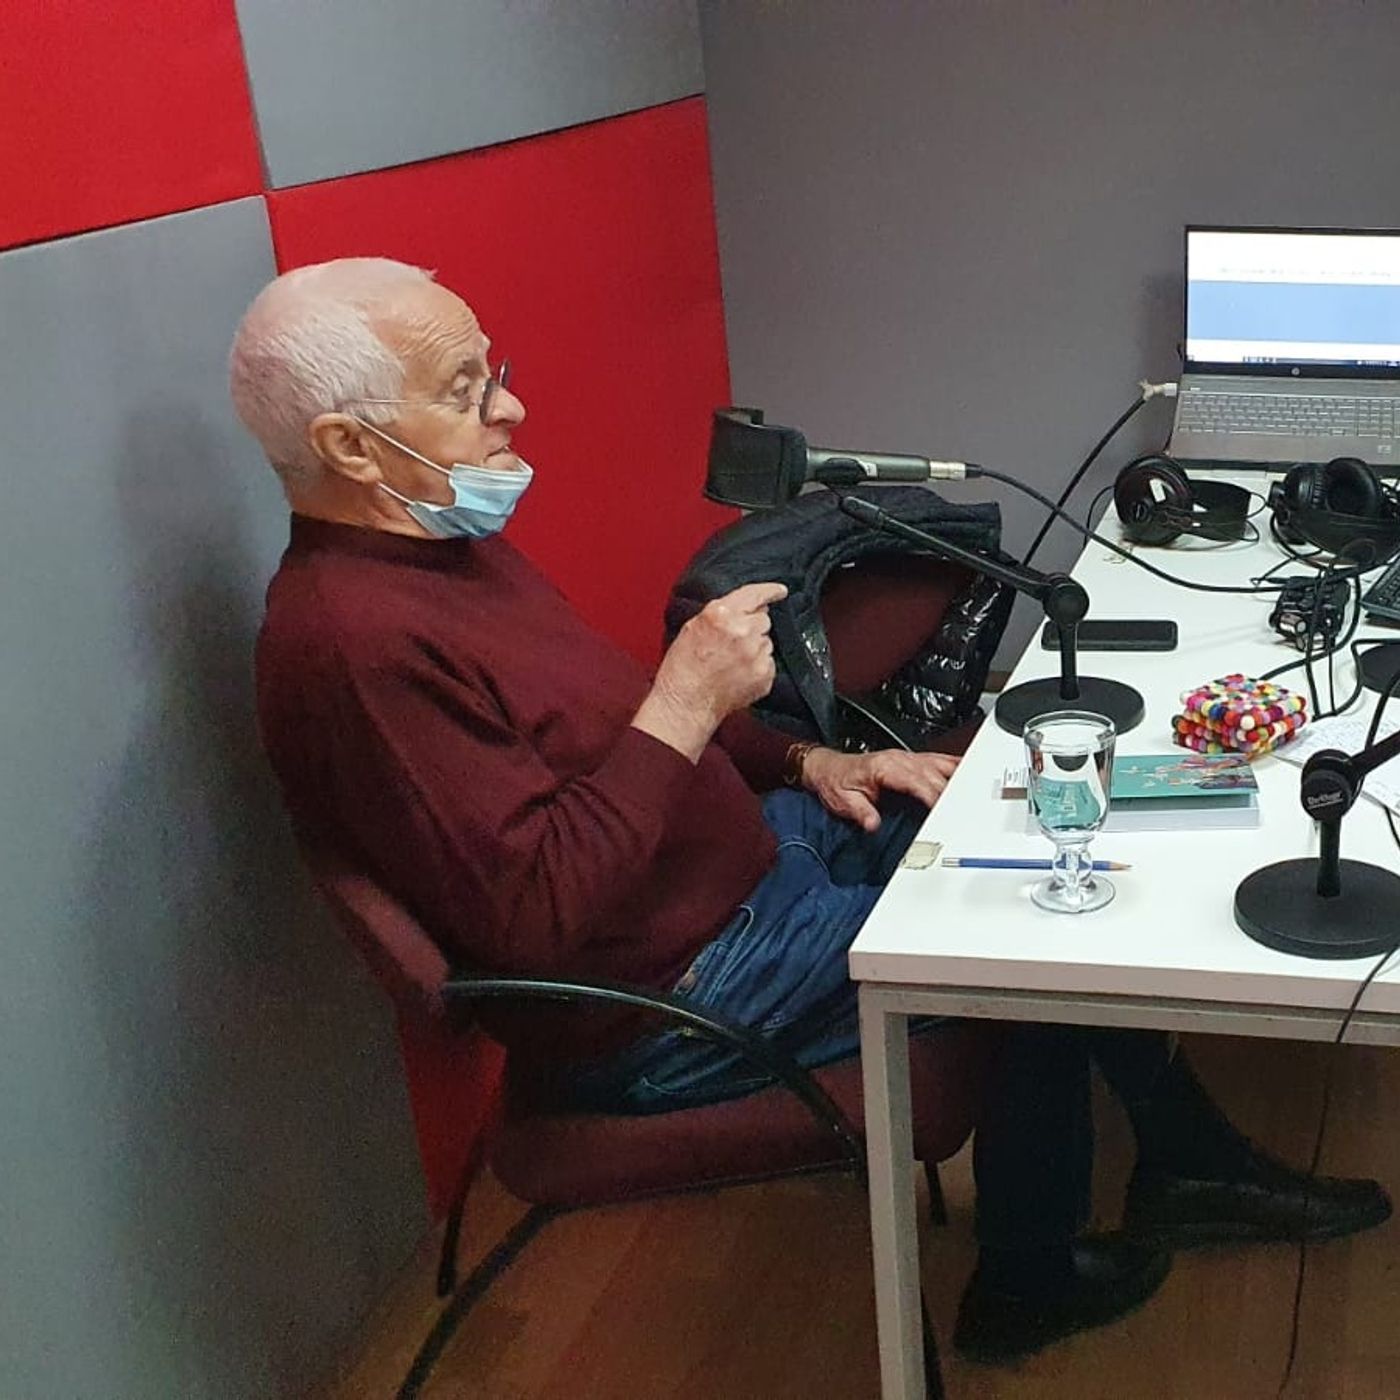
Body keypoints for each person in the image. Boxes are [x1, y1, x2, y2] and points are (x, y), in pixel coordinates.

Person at [229, 258, 1390, 1364]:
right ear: (349, 446)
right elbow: (535, 914)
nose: (510, 406)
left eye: (494, 368)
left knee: (1032, 810)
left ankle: (1184, 1158)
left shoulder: (443, 549)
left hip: (747, 869)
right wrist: (685, 699)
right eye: (463, 388)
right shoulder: (354, 646)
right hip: (673, 998)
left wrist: (806, 760)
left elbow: (607, 734)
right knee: (1037, 943)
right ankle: (1026, 1282)